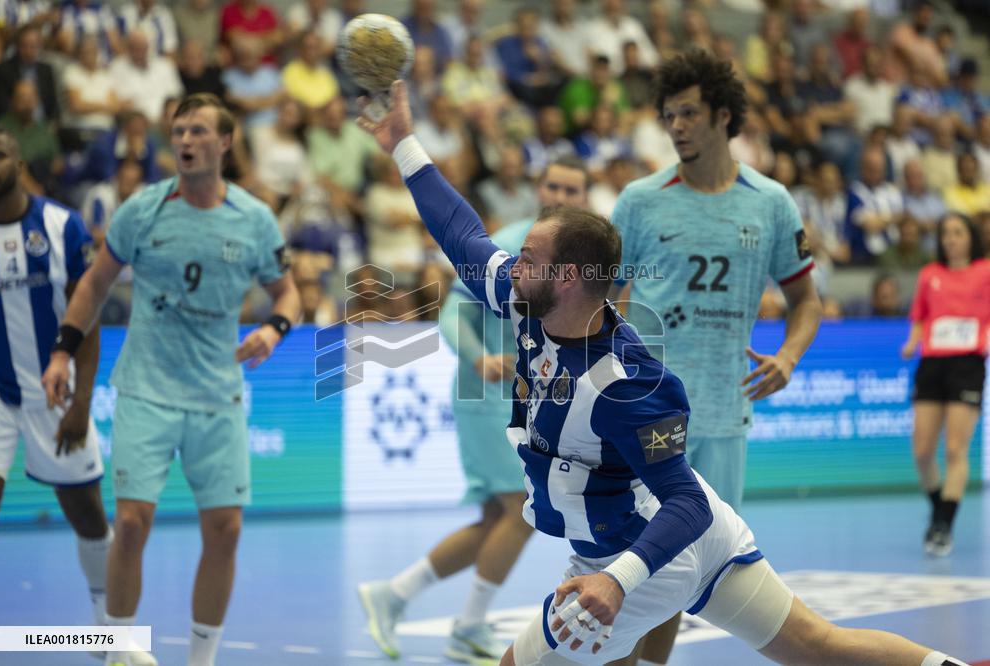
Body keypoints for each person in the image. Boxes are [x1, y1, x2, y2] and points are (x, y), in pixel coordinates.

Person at [356, 78, 971, 666]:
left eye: (530, 259)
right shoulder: (525, 300)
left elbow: (684, 502)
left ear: (568, 279)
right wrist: (404, 145)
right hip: (654, 541)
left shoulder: (628, 384)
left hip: (653, 549)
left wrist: (618, 582)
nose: (512, 265)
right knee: (817, 648)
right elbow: (460, 233)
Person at [41, 93, 301, 666]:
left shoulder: (255, 219)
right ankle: (115, 649)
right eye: (178, 131)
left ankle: (200, 660)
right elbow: (93, 285)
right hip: (146, 389)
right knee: (131, 524)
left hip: (217, 394)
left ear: (225, 142)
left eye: (199, 131)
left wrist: (275, 328)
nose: (185, 141)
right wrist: (61, 353)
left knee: (227, 531)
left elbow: (288, 292)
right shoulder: (142, 209)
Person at [610, 49, 824, 666]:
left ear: (723, 116)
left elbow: (806, 300)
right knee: (632, 561)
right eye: (669, 115)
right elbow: (599, 300)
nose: (676, 126)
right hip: (646, 415)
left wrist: (788, 355)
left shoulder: (772, 203)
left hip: (727, 416)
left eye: (689, 113)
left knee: (687, 569)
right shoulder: (639, 202)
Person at [357, 156, 591, 662]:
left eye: (573, 189)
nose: (562, 195)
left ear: (586, 196)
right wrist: (480, 356)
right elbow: (450, 312)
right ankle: (468, 625)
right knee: (521, 512)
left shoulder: (581, 260)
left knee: (495, 519)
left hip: (528, 402)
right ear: (538, 188)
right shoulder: (511, 243)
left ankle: (392, 594)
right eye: (554, 185)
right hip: (487, 398)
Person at [0, 125, 112, 650]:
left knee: (87, 516)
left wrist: (82, 402)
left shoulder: (62, 227)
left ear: (18, 165)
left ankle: (111, 633)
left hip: (56, 392)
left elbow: (87, 317)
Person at [901, 212, 989, 557]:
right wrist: (912, 341)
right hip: (932, 364)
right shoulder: (930, 275)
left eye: (957, 232)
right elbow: (920, 317)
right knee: (922, 451)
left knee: (955, 449)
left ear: (970, 237)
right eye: (945, 234)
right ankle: (940, 506)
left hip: (967, 364)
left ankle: (944, 526)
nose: (950, 239)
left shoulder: (984, 272)